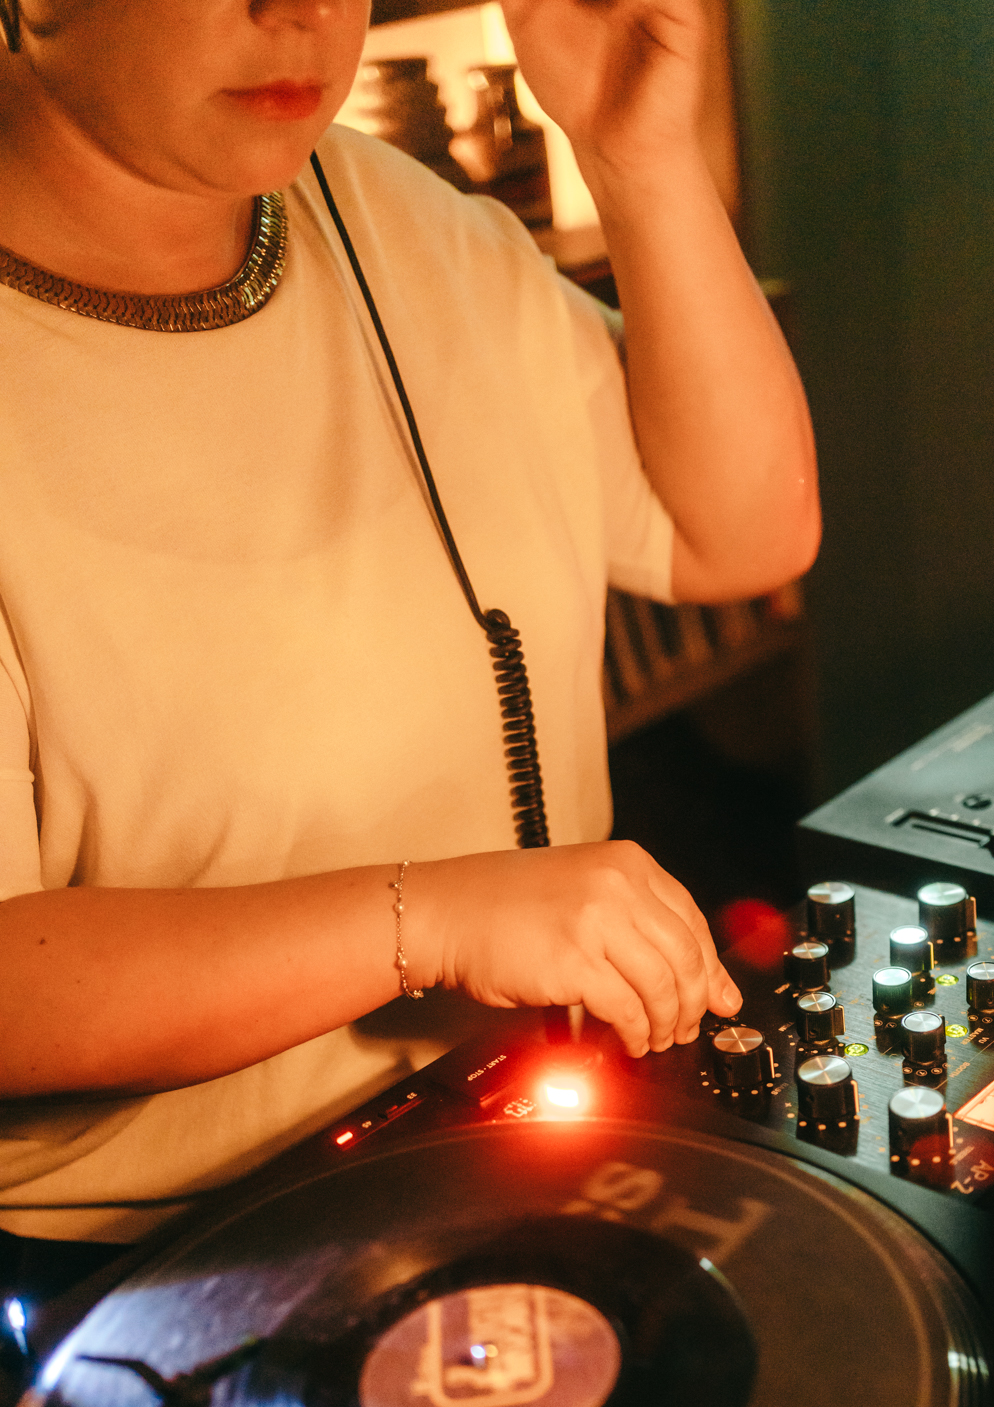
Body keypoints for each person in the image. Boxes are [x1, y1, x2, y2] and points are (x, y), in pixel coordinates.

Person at [0, 0, 819, 1302]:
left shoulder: (401, 216)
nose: (303, 16)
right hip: (163, 1262)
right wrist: (424, 919)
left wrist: (637, 160)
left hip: (517, 1139)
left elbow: (738, 532)